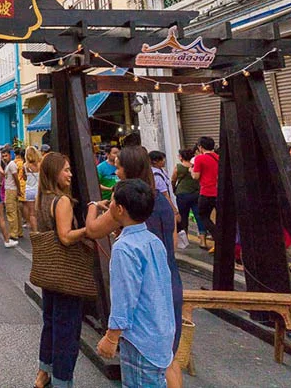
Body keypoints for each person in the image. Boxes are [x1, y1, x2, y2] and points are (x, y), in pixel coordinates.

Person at [87, 146, 184, 388]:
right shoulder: (160, 206)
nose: (116, 170)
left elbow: (124, 295)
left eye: (118, 166)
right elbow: (172, 243)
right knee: (168, 361)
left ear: (119, 209)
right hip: (166, 296)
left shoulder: (125, 244)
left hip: (140, 332)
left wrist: (111, 336)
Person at [31, 151, 89, 388]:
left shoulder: (42, 198)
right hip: (66, 273)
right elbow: (65, 237)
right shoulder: (62, 201)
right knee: (67, 330)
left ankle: (44, 372)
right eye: (66, 170)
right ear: (55, 172)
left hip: (49, 272)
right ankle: (63, 380)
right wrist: (88, 230)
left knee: (51, 322)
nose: (70, 174)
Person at [192, 136, 219, 253]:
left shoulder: (200, 159)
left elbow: (196, 176)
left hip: (206, 192)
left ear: (200, 147)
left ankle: (218, 237)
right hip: (219, 192)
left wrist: (191, 171)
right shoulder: (218, 157)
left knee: (203, 216)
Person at [172, 148, 203, 250]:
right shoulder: (195, 166)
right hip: (196, 193)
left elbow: (173, 179)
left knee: (183, 217)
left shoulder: (178, 167)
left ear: (181, 157)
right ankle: (203, 240)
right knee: (199, 217)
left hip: (182, 195)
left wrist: (172, 189)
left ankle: (185, 239)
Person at [149, 151, 178, 225]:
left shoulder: (161, 171)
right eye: (162, 159)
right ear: (155, 161)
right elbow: (165, 195)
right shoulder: (156, 176)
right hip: (165, 207)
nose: (164, 161)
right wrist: (174, 211)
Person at [3, 147, 23, 240]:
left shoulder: (11, 165)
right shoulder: (9, 165)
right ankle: (18, 231)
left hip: (11, 190)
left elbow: (16, 178)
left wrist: (19, 189)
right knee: (16, 212)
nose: (4, 158)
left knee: (11, 212)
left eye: (6, 155)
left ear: (10, 155)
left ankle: (13, 233)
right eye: (3, 156)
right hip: (11, 189)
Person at [23, 146, 41, 229]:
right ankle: (41, 230)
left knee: (32, 213)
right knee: (40, 211)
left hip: (29, 190)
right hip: (38, 189)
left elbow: (24, 178)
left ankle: (35, 231)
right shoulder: (40, 164)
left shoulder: (25, 166)